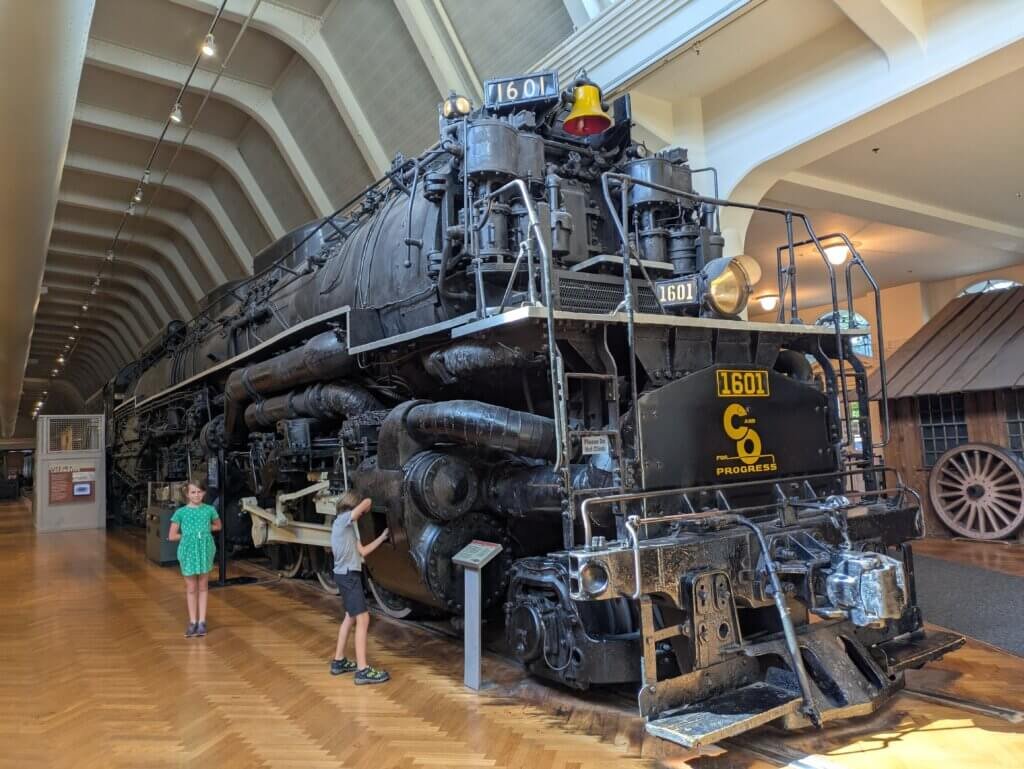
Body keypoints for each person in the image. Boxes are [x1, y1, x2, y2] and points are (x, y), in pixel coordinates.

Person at [330, 490, 390, 684]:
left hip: (345, 575)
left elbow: (362, 551)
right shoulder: (343, 519)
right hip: (348, 577)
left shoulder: (345, 527)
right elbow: (365, 504)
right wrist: (368, 500)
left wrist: (381, 538)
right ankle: (362, 670)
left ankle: (338, 661)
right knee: (363, 619)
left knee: (350, 617)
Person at [167, 480, 221, 638]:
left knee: (203, 586)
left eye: (199, 492)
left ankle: (202, 621)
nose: (196, 495)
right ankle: (192, 621)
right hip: (188, 550)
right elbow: (172, 535)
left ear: (204, 493)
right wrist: (189, 536)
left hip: (205, 549)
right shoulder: (181, 513)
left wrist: (203, 531)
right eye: (193, 492)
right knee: (191, 587)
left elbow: (218, 526)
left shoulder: (209, 510)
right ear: (187, 494)